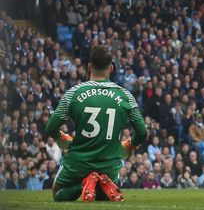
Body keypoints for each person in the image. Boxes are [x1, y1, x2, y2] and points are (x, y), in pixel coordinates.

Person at [45, 45, 148, 202]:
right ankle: (100, 184)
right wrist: (129, 146)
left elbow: (50, 127)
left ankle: (83, 183)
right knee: (104, 194)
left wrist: (62, 139)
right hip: (110, 164)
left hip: (78, 163)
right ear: (111, 68)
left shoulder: (73, 93)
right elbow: (142, 133)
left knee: (57, 193)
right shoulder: (125, 95)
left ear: (89, 67)